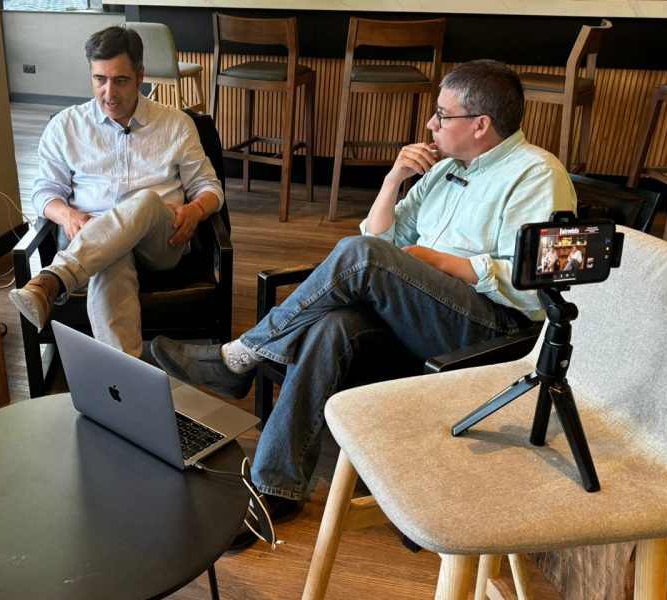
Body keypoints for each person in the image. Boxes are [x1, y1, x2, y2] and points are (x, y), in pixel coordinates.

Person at [150, 60, 576, 530]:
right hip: (426, 314)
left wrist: (437, 261)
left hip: (492, 328)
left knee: (362, 257)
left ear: (480, 125)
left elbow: (536, 286)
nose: (431, 123)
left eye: (442, 114)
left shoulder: (536, 173)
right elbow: (379, 240)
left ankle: (240, 357)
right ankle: (275, 487)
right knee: (334, 324)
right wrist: (394, 179)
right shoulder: (443, 170)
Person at [9, 26, 224, 357]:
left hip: (161, 241)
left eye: (120, 80)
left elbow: (210, 187)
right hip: (92, 236)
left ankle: (55, 279)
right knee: (111, 254)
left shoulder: (175, 124)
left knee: (146, 201)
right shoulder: (65, 126)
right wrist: (67, 215)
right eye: (99, 79)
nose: (108, 92)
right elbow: (44, 193)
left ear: (140, 76)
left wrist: (195, 210)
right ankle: (124, 377)